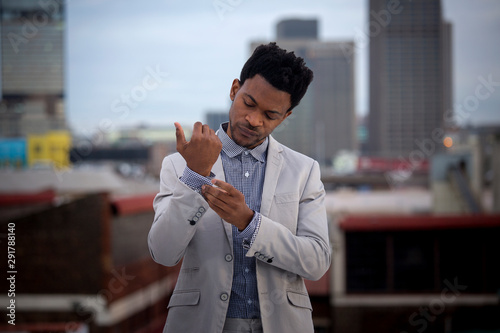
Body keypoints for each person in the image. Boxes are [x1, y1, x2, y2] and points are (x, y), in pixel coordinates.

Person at [148, 42, 331, 333]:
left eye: (270, 115)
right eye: (249, 103)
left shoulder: (304, 171)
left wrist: (249, 223)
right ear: (234, 90)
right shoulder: (179, 164)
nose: (253, 120)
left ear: (286, 117)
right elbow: (163, 252)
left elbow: (316, 261)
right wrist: (196, 174)